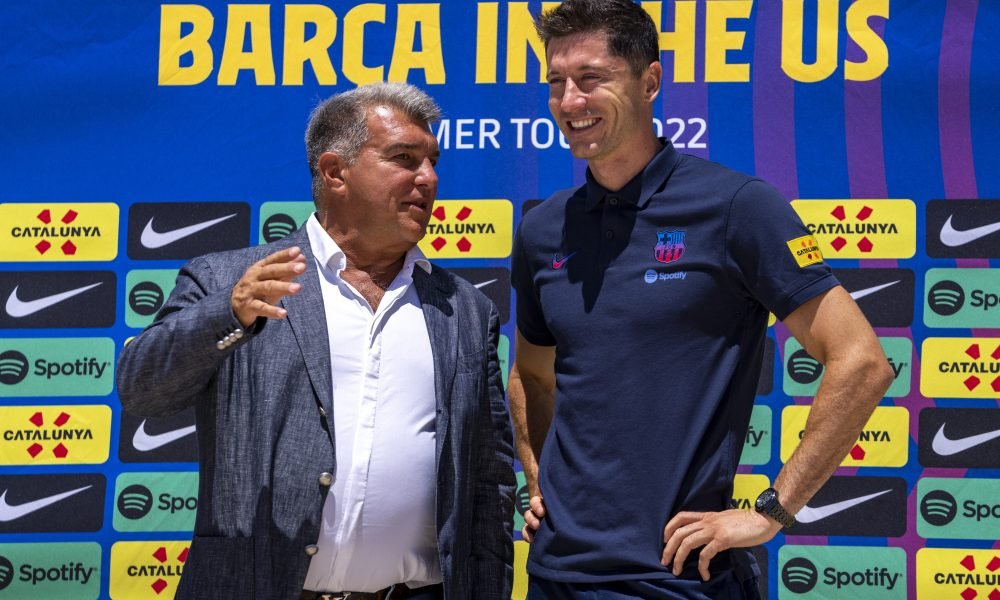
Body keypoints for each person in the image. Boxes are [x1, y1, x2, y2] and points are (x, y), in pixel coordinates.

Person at [508, 1, 894, 598]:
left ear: (650, 82)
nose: (570, 100)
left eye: (591, 78)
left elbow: (861, 361)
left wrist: (771, 511)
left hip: (679, 577)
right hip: (555, 574)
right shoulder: (543, 228)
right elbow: (532, 375)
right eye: (556, 82)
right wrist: (538, 481)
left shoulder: (737, 207)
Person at [117, 82, 515, 600]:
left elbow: (489, 481)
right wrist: (227, 313)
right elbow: (142, 390)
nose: (429, 179)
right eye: (404, 158)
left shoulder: (464, 309)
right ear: (334, 172)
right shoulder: (229, 281)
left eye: (432, 162)